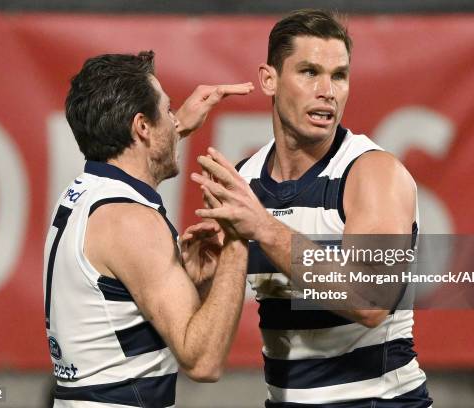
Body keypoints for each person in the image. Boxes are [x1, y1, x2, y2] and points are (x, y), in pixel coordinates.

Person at [190, 9, 433, 407]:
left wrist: (265, 230)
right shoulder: (245, 180)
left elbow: (371, 300)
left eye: (339, 75)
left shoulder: (372, 172)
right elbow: (205, 334)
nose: (328, 90)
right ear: (269, 80)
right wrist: (200, 280)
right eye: (309, 72)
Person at [43, 51, 254, 407]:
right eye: (167, 111)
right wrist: (238, 238)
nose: (175, 120)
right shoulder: (131, 221)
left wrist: (174, 129)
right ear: (142, 126)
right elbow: (203, 361)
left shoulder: (82, 193)